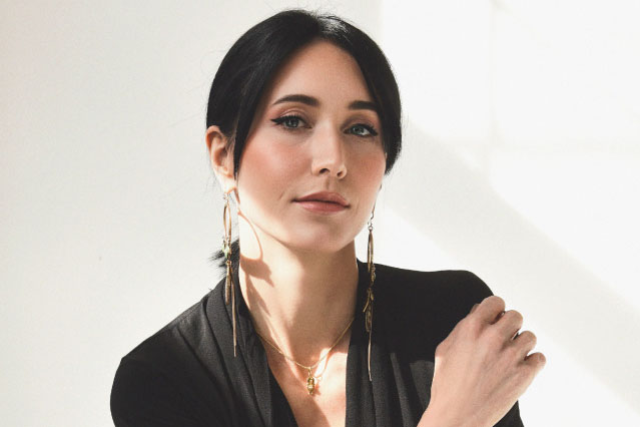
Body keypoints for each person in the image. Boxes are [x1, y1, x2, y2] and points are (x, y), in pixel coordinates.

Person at [110, 9, 545, 427]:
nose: (333, 160)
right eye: (293, 121)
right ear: (224, 157)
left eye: (360, 128)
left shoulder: (451, 323)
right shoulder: (162, 380)